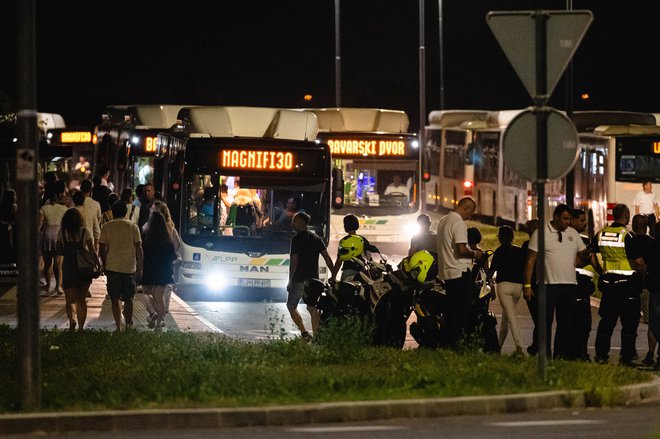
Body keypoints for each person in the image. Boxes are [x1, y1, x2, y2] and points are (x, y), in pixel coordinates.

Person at [523, 204, 588, 360]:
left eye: (569, 219)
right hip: (547, 286)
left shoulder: (573, 234)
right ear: (556, 217)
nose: (568, 222)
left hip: (569, 286)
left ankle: (560, 356)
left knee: (565, 324)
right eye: (565, 219)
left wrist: (586, 256)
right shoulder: (541, 234)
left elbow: (579, 260)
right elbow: (530, 261)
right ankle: (545, 356)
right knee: (545, 323)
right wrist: (527, 285)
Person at [592, 204, 645, 366]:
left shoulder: (602, 233)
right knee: (629, 324)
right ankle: (626, 357)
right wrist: (641, 276)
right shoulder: (627, 236)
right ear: (627, 215)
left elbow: (591, 255)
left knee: (606, 322)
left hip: (609, 285)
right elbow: (638, 261)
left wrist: (601, 271)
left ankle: (601, 355)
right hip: (627, 285)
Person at [436, 197, 483, 349]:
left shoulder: (443, 221)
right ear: (466, 208)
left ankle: (444, 344)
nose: (470, 216)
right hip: (460, 273)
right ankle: (454, 345)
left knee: (449, 312)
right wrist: (475, 254)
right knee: (460, 313)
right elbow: (461, 250)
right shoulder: (458, 223)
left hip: (447, 273)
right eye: (471, 212)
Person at [287, 212, 335, 341]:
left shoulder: (295, 239)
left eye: (295, 221)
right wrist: (334, 275)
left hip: (299, 280)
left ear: (303, 222)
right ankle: (317, 337)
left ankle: (304, 334)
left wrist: (290, 280)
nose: (293, 224)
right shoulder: (316, 238)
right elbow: (328, 258)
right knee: (312, 308)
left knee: (291, 306)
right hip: (314, 280)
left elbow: (294, 261)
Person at [99, 201, 143, 331]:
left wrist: (104, 263)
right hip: (129, 267)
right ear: (125, 212)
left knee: (114, 297)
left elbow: (101, 248)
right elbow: (139, 248)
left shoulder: (107, 226)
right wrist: (140, 266)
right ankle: (128, 323)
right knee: (129, 298)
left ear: (113, 212)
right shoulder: (133, 227)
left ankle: (118, 324)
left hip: (112, 267)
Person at [58, 208, 100, 331]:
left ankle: (72, 321)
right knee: (81, 300)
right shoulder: (85, 232)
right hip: (83, 269)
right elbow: (92, 251)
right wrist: (98, 265)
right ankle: (81, 328)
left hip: (69, 268)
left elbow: (59, 250)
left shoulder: (62, 232)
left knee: (70, 300)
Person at [490, 225, 525, 355]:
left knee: (511, 317)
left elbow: (492, 271)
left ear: (500, 238)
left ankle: (519, 347)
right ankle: (498, 347)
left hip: (504, 286)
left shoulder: (499, 251)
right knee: (506, 317)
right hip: (518, 287)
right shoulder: (519, 251)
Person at [140, 211, 178, 329]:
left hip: (149, 270)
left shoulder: (145, 237)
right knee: (160, 298)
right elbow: (173, 256)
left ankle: (152, 311)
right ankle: (158, 325)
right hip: (163, 271)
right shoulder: (167, 239)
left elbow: (141, 253)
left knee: (146, 293)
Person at [570, 209, 597, 361]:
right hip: (574, 286)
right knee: (576, 324)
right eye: (581, 220)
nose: (585, 224)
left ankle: (580, 352)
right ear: (573, 221)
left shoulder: (584, 240)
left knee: (584, 326)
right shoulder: (568, 239)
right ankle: (575, 353)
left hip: (583, 287)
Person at [630, 214, 656, 366]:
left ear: (633, 226)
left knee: (631, 322)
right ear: (646, 226)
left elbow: (639, 263)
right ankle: (652, 354)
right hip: (648, 288)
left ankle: (631, 352)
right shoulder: (650, 243)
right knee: (652, 322)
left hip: (632, 286)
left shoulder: (630, 242)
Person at [39, 180, 68, 295]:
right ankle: (58, 286)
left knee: (47, 264)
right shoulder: (64, 209)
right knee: (58, 263)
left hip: (46, 236)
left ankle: (48, 286)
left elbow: (39, 225)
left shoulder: (44, 208)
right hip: (58, 237)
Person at [332, 213, 373, 281]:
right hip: (361, 274)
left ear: (345, 226)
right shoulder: (363, 240)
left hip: (347, 273)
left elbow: (339, 261)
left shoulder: (344, 241)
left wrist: (333, 276)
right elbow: (369, 257)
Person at [521, 218, 540, 355]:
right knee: (540, 319)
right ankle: (537, 346)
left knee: (539, 319)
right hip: (538, 286)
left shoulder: (527, 245)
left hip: (532, 286)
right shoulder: (543, 245)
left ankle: (536, 346)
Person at [645, 222, 660, 370]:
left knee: (654, 321)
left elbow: (644, 265)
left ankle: (650, 354)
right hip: (655, 288)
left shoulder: (650, 246)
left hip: (655, 288)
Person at [409, 213, 438, 280]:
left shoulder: (416, 237)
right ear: (429, 224)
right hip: (436, 269)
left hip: (421, 269)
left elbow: (411, 254)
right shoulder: (437, 236)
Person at [79, 179, 101, 251]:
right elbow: (97, 223)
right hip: (90, 240)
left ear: (81, 189)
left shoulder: (76, 204)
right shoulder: (96, 204)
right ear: (91, 191)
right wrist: (96, 244)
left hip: (76, 240)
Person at [0, 189, 17, 265]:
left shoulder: (2, 206)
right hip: (13, 229)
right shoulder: (14, 206)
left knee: (5, 245)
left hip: (3, 229)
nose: (15, 197)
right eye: (14, 195)